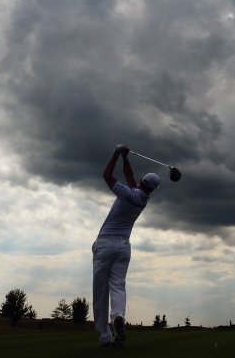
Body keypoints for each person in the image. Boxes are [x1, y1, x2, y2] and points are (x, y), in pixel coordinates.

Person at [92, 144, 160, 349]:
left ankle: (105, 336)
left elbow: (106, 175)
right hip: (124, 247)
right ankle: (118, 316)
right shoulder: (143, 198)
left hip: (105, 243)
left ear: (142, 182)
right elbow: (130, 178)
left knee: (101, 291)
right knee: (118, 286)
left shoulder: (128, 194)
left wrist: (114, 153)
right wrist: (125, 158)